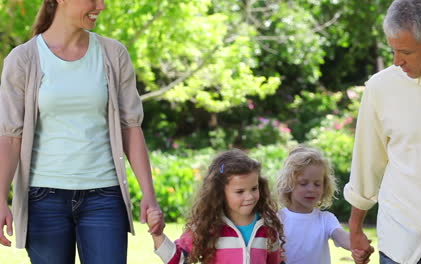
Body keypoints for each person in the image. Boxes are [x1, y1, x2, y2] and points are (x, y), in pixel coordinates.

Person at [0, 0, 164, 263]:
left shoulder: (113, 54)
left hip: (105, 196)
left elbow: (130, 127)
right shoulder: (23, 59)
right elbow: (10, 137)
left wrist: (150, 195)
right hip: (44, 199)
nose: (101, 6)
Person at [344, 0, 421, 263]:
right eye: (393, 50)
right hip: (401, 245)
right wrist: (355, 229)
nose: (396, 61)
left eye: (406, 52)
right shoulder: (381, 88)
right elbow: (367, 162)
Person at [146, 149, 285, 264]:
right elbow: (178, 260)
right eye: (240, 192)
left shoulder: (268, 228)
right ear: (219, 193)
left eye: (254, 188)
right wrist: (157, 234)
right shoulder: (207, 227)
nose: (249, 197)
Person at [276, 145, 356, 264]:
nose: (311, 189)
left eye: (317, 184)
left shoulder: (325, 219)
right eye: (303, 183)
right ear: (288, 184)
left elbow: (341, 236)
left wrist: (356, 243)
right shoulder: (277, 219)